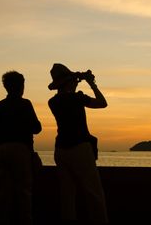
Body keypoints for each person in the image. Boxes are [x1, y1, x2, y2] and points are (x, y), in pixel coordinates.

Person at [47, 63, 108, 225]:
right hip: (80, 148)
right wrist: (91, 83)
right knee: (94, 193)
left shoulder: (52, 102)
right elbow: (102, 103)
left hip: (61, 149)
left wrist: (76, 78)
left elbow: (68, 90)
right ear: (68, 82)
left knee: (67, 195)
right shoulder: (77, 98)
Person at [0, 70, 42, 225]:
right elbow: (37, 127)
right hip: (21, 149)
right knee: (24, 190)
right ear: (20, 86)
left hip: (2, 149)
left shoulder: (0, 105)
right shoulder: (25, 104)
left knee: (4, 192)